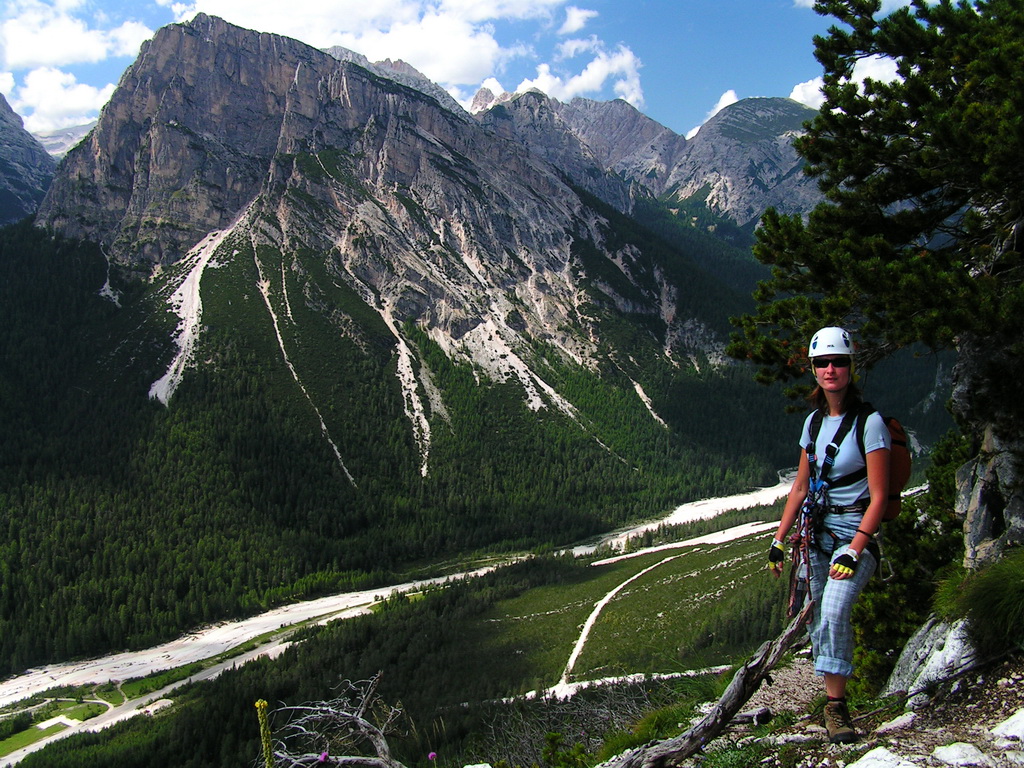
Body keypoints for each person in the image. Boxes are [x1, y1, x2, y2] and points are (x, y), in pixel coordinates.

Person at [767, 326, 891, 744]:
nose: (831, 369)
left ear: (851, 366)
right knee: (820, 615)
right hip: (816, 535)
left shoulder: (869, 424)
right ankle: (828, 697)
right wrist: (779, 539)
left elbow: (878, 497)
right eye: (823, 363)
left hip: (853, 536)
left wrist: (856, 549)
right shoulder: (814, 422)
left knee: (835, 610)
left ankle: (836, 707)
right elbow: (801, 487)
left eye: (839, 361)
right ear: (814, 370)